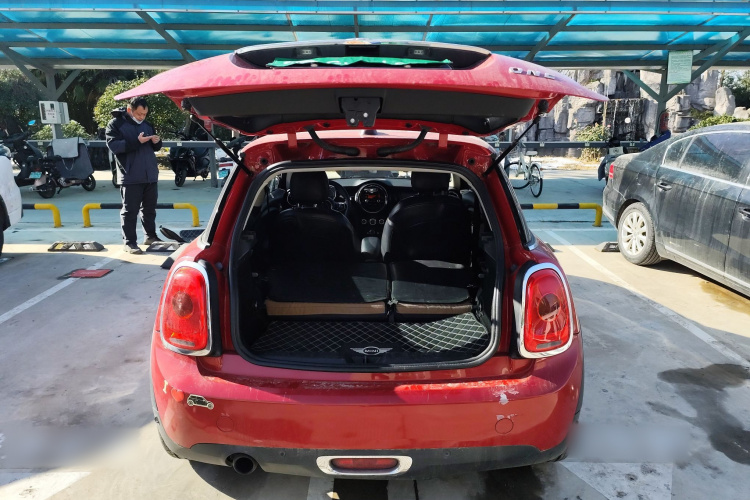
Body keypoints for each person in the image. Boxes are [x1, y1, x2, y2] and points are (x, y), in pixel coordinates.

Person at [106, 96, 163, 254]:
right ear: (130, 110)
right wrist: (137, 142)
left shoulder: (147, 125)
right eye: (139, 114)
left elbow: (155, 148)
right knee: (130, 211)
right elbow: (114, 146)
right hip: (130, 175)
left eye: (144, 114)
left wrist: (156, 142)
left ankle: (150, 236)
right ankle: (129, 242)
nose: (142, 117)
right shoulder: (116, 124)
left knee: (149, 209)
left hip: (150, 174)